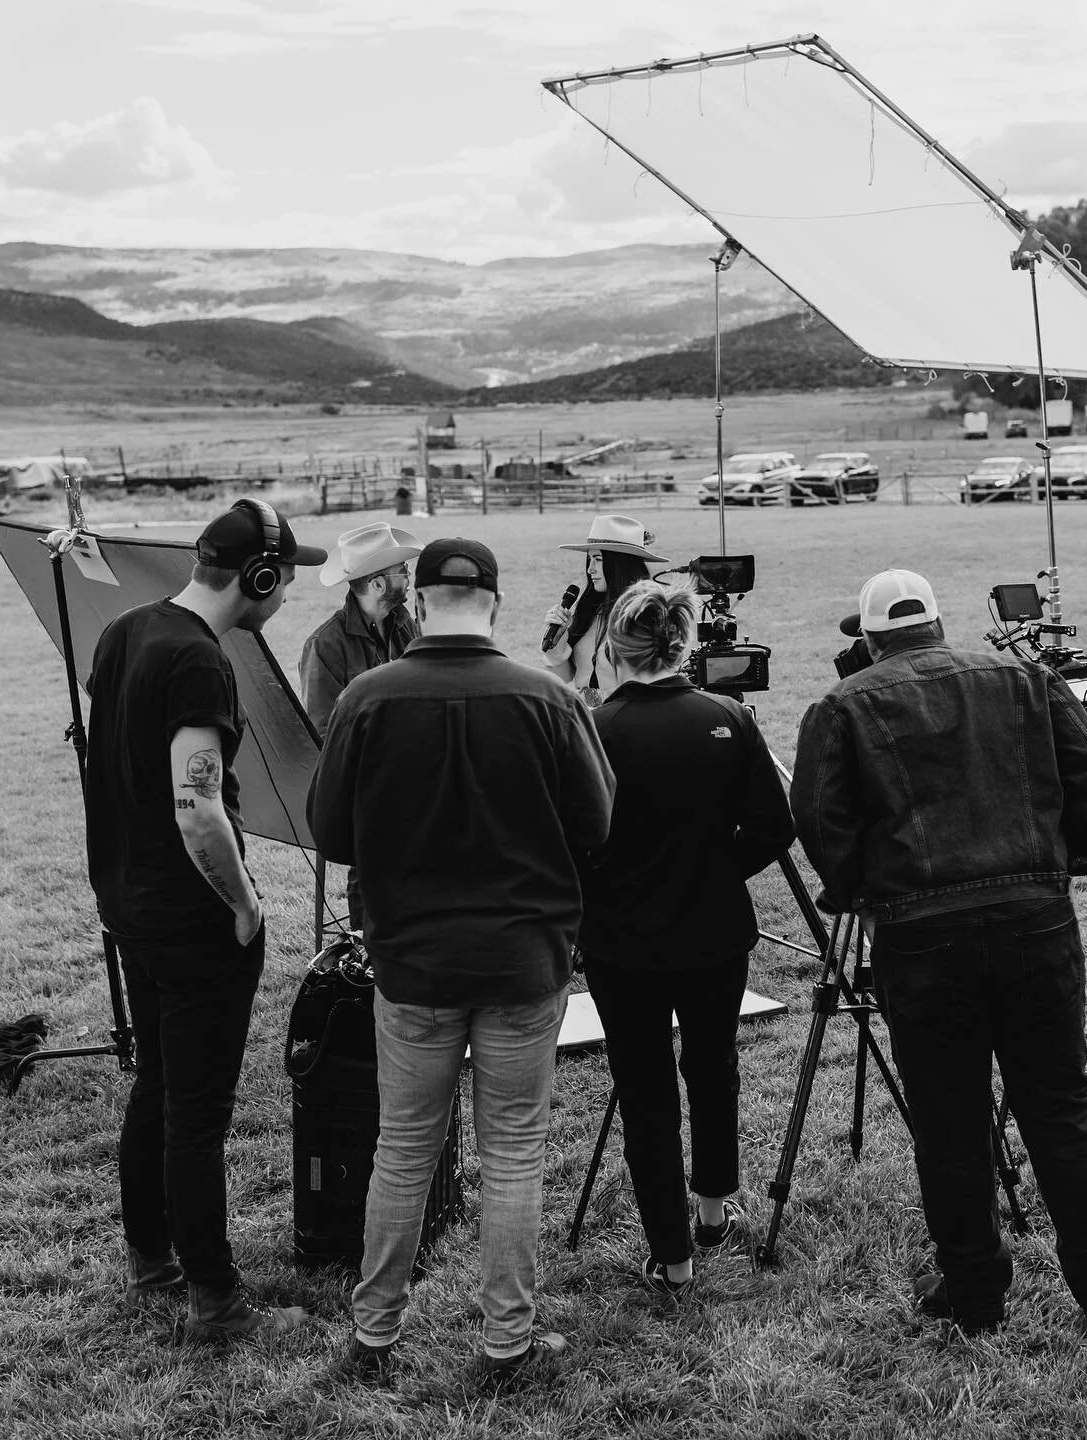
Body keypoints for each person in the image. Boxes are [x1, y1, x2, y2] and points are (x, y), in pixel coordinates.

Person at [791, 569, 1087, 1337]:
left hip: (920, 933)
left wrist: (855, 892)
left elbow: (817, 813)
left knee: (948, 1118)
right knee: (1059, 1105)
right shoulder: (1025, 678)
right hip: (1033, 919)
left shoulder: (844, 704)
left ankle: (976, 1294)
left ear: (871, 640)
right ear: (938, 624)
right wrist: (1071, 852)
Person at [307, 537, 616, 1387]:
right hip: (522, 959)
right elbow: (596, 824)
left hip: (412, 962)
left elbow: (330, 832)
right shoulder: (547, 698)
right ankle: (506, 1343)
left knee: (403, 1150)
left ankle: (374, 1334)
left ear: (420, 603)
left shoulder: (367, 697)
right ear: (495, 603)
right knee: (513, 1153)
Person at [84, 498, 326, 1340]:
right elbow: (198, 808)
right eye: (284, 577)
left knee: (156, 1085)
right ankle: (216, 1303)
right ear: (256, 577)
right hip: (193, 920)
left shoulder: (127, 630)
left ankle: (152, 1260)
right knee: (196, 1114)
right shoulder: (198, 661)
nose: (287, 591)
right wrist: (245, 902)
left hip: (130, 905)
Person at [577, 580, 794, 1295]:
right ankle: (710, 1210)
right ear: (683, 644)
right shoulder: (726, 716)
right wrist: (715, 870)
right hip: (713, 933)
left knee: (645, 1091)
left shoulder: (594, 728)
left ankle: (674, 1257)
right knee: (712, 1066)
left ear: (616, 647)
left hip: (622, 944)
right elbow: (774, 826)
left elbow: (572, 841)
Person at [300, 521, 421, 931]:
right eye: (402, 571)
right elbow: (324, 732)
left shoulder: (406, 625)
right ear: (378, 584)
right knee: (373, 874)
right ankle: (368, 951)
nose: (409, 575)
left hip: (417, 774)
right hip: (366, 786)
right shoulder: (326, 644)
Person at [540, 514, 667, 706]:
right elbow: (563, 678)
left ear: (619, 564)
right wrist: (557, 641)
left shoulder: (646, 615)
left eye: (598, 559)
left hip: (625, 715)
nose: (590, 569)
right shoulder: (590, 610)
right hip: (586, 715)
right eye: (589, 559)